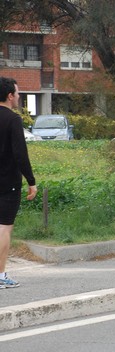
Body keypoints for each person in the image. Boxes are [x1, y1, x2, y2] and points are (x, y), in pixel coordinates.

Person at [0, 77, 37, 288]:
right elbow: (20, 154)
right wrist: (31, 181)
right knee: (4, 228)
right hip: (7, 183)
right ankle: (1, 275)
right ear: (9, 96)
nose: (19, 96)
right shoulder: (13, 120)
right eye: (18, 93)